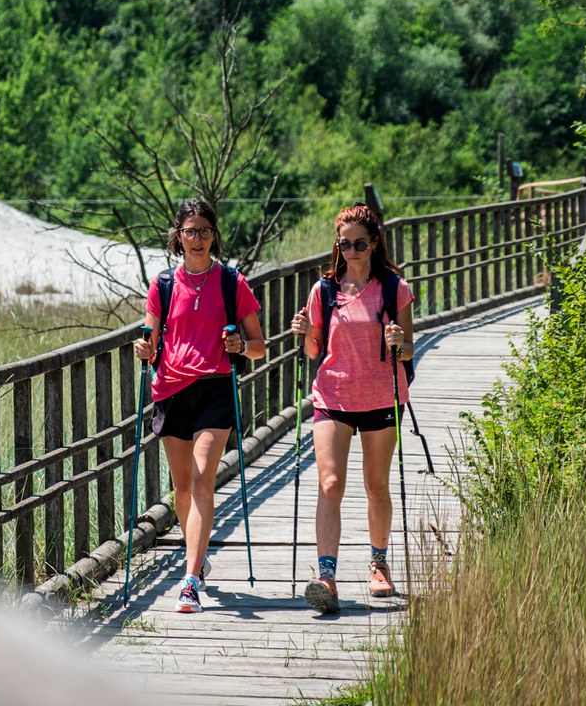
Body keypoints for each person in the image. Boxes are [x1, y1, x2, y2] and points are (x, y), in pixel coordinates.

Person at [134, 199, 266, 614]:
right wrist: (143, 347)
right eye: (189, 231)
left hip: (214, 388)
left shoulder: (232, 282)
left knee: (202, 476)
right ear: (178, 236)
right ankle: (199, 553)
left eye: (204, 231)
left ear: (214, 236)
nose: (197, 239)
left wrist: (240, 347)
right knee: (182, 488)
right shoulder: (163, 284)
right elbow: (150, 338)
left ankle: (189, 580)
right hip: (171, 390)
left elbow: (260, 347)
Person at [289, 202, 414, 613]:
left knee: (376, 485)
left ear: (374, 243)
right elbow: (314, 350)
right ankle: (326, 575)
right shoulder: (324, 289)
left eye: (360, 243)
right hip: (333, 395)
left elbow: (408, 349)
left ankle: (378, 563)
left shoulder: (394, 288)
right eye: (345, 244)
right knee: (330, 484)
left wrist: (398, 341)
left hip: (381, 395)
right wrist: (306, 332)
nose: (353, 251)